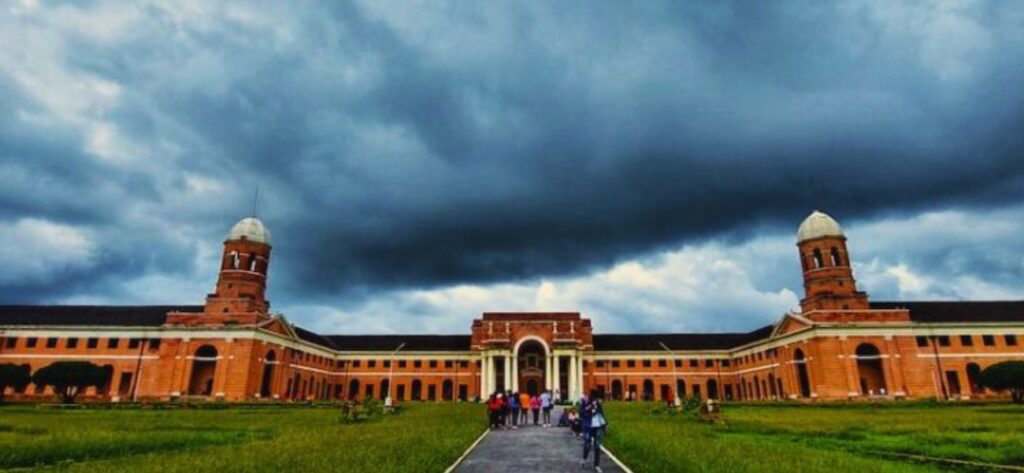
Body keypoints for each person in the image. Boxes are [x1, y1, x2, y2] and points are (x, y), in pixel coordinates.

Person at [582, 388, 607, 472]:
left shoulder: (598, 403)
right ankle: (584, 459)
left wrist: (605, 424)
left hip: (598, 426)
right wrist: (588, 408)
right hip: (588, 426)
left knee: (597, 445)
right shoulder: (585, 402)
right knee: (587, 445)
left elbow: (602, 413)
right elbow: (581, 412)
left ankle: (597, 465)